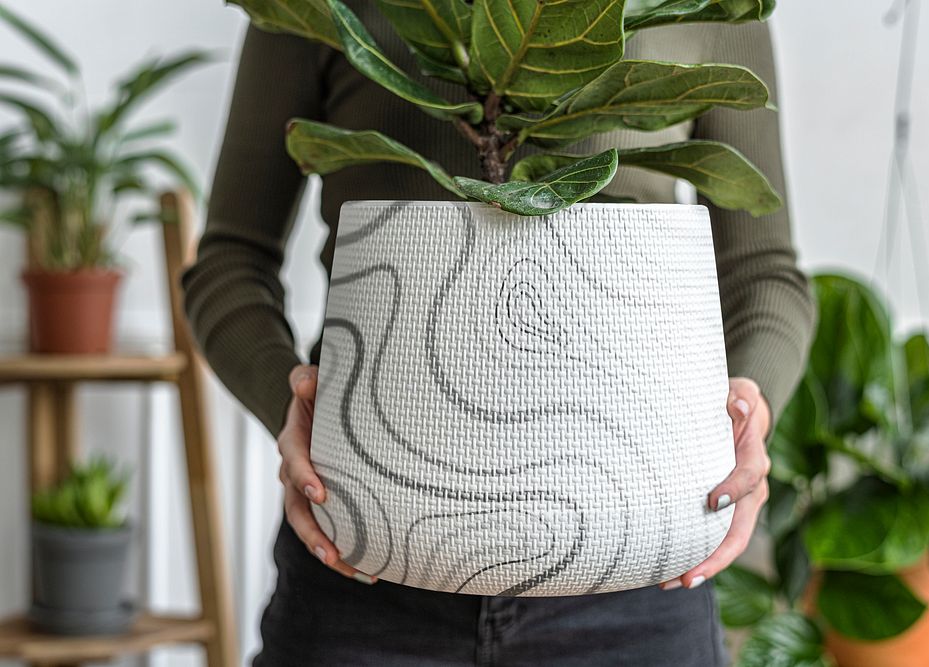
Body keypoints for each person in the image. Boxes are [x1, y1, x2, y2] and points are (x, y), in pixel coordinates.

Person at [181, 3, 816, 665]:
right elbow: (230, 263)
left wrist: (748, 405)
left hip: (635, 575)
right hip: (366, 559)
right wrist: (287, 403)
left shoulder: (709, 9)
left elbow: (765, 273)